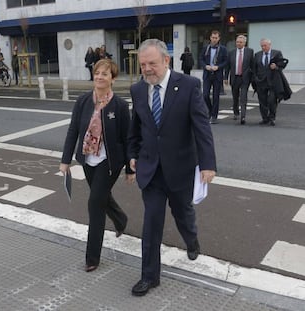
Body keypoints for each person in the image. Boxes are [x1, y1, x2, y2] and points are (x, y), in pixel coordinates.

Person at [128, 39, 216, 297]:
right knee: (151, 223)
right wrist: (132, 157)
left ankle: (191, 239)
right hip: (151, 171)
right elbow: (136, 129)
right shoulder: (138, 90)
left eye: (152, 63)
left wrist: (208, 164)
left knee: (183, 215)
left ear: (166, 61)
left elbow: (202, 127)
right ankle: (149, 276)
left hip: (180, 169)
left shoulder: (188, 86)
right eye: (143, 64)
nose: (147, 69)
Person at [59, 59, 134, 273]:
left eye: (105, 74)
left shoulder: (119, 106)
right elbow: (73, 130)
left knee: (95, 204)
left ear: (113, 78)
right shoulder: (83, 101)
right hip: (87, 160)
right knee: (101, 197)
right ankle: (120, 219)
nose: (100, 77)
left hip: (109, 162)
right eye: (97, 73)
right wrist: (65, 161)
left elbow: (127, 138)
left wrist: (130, 168)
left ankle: (92, 257)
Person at [252, 38, 285, 126]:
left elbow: (282, 64)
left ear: (269, 45)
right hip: (261, 81)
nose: (263, 47)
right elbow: (254, 68)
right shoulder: (257, 55)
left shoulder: (277, 53)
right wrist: (255, 78)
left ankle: (272, 118)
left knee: (272, 100)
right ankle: (264, 118)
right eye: (262, 46)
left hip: (273, 81)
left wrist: (276, 66)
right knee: (262, 101)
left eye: (265, 46)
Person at [224, 35, 254, 125]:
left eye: (241, 42)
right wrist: (225, 77)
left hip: (245, 78)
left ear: (244, 43)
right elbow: (228, 66)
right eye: (237, 42)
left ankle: (243, 116)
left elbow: (252, 65)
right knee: (235, 96)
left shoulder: (249, 52)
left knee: (243, 97)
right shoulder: (231, 52)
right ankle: (236, 112)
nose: (239, 44)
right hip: (235, 77)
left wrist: (253, 77)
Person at [199, 30, 228, 124]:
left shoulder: (223, 49)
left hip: (217, 75)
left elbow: (226, 61)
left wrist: (218, 67)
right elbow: (201, 59)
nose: (214, 39)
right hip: (207, 74)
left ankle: (214, 116)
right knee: (205, 95)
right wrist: (205, 66)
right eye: (213, 37)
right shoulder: (205, 48)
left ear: (219, 38)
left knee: (216, 96)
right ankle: (210, 111)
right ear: (210, 38)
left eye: (216, 38)